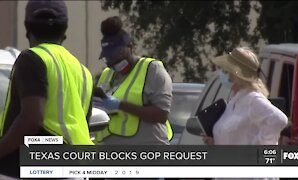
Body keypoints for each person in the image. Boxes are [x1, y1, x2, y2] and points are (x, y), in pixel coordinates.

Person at [0, 0, 94, 177]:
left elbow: (31, 119)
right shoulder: (83, 72)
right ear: (64, 32)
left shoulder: (32, 58)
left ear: (27, 30)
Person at [93, 16, 173, 145]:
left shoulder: (152, 69)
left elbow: (161, 115)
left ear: (130, 47)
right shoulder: (107, 75)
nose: (113, 61)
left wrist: (120, 105)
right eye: (108, 57)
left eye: (116, 54)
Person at [202, 47, 288, 146]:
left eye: (228, 71)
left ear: (236, 75)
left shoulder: (253, 99)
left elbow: (278, 119)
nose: (226, 75)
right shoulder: (234, 101)